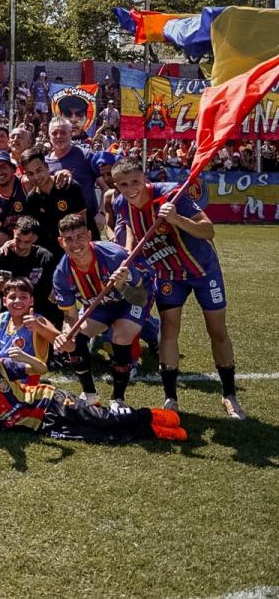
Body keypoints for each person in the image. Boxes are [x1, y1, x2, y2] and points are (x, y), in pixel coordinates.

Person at [109, 159, 245, 419]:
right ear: (117, 186)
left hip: (203, 271)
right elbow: (129, 227)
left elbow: (208, 230)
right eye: (123, 185)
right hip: (168, 274)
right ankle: (170, 397)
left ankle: (229, 394)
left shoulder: (171, 194)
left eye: (135, 182)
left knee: (216, 330)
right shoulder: (120, 203)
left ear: (144, 178)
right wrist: (127, 253)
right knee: (169, 329)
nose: (130, 189)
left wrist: (176, 218)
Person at [0, 329, 186, 444]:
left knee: (100, 418)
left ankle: (154, 415)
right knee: (96, 435)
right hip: (42, 425)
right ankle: (152, 430)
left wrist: (25, 358)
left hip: (49, 402)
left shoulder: (3, 366)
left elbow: (41, 370)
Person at [51, 213, 153, 410]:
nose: (75, 244)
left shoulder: (115, 256)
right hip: (100, 306)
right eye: (68, 239)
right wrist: (65, 335)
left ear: (89, 235)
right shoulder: (61, 274)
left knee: (120, 337)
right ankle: (90, 394)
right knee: (75, 338)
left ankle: (118, 398)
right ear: (60, 242)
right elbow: (70, 317)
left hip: (129, 300)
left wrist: (122, 285)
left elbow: (140, 298)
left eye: (80, 237)